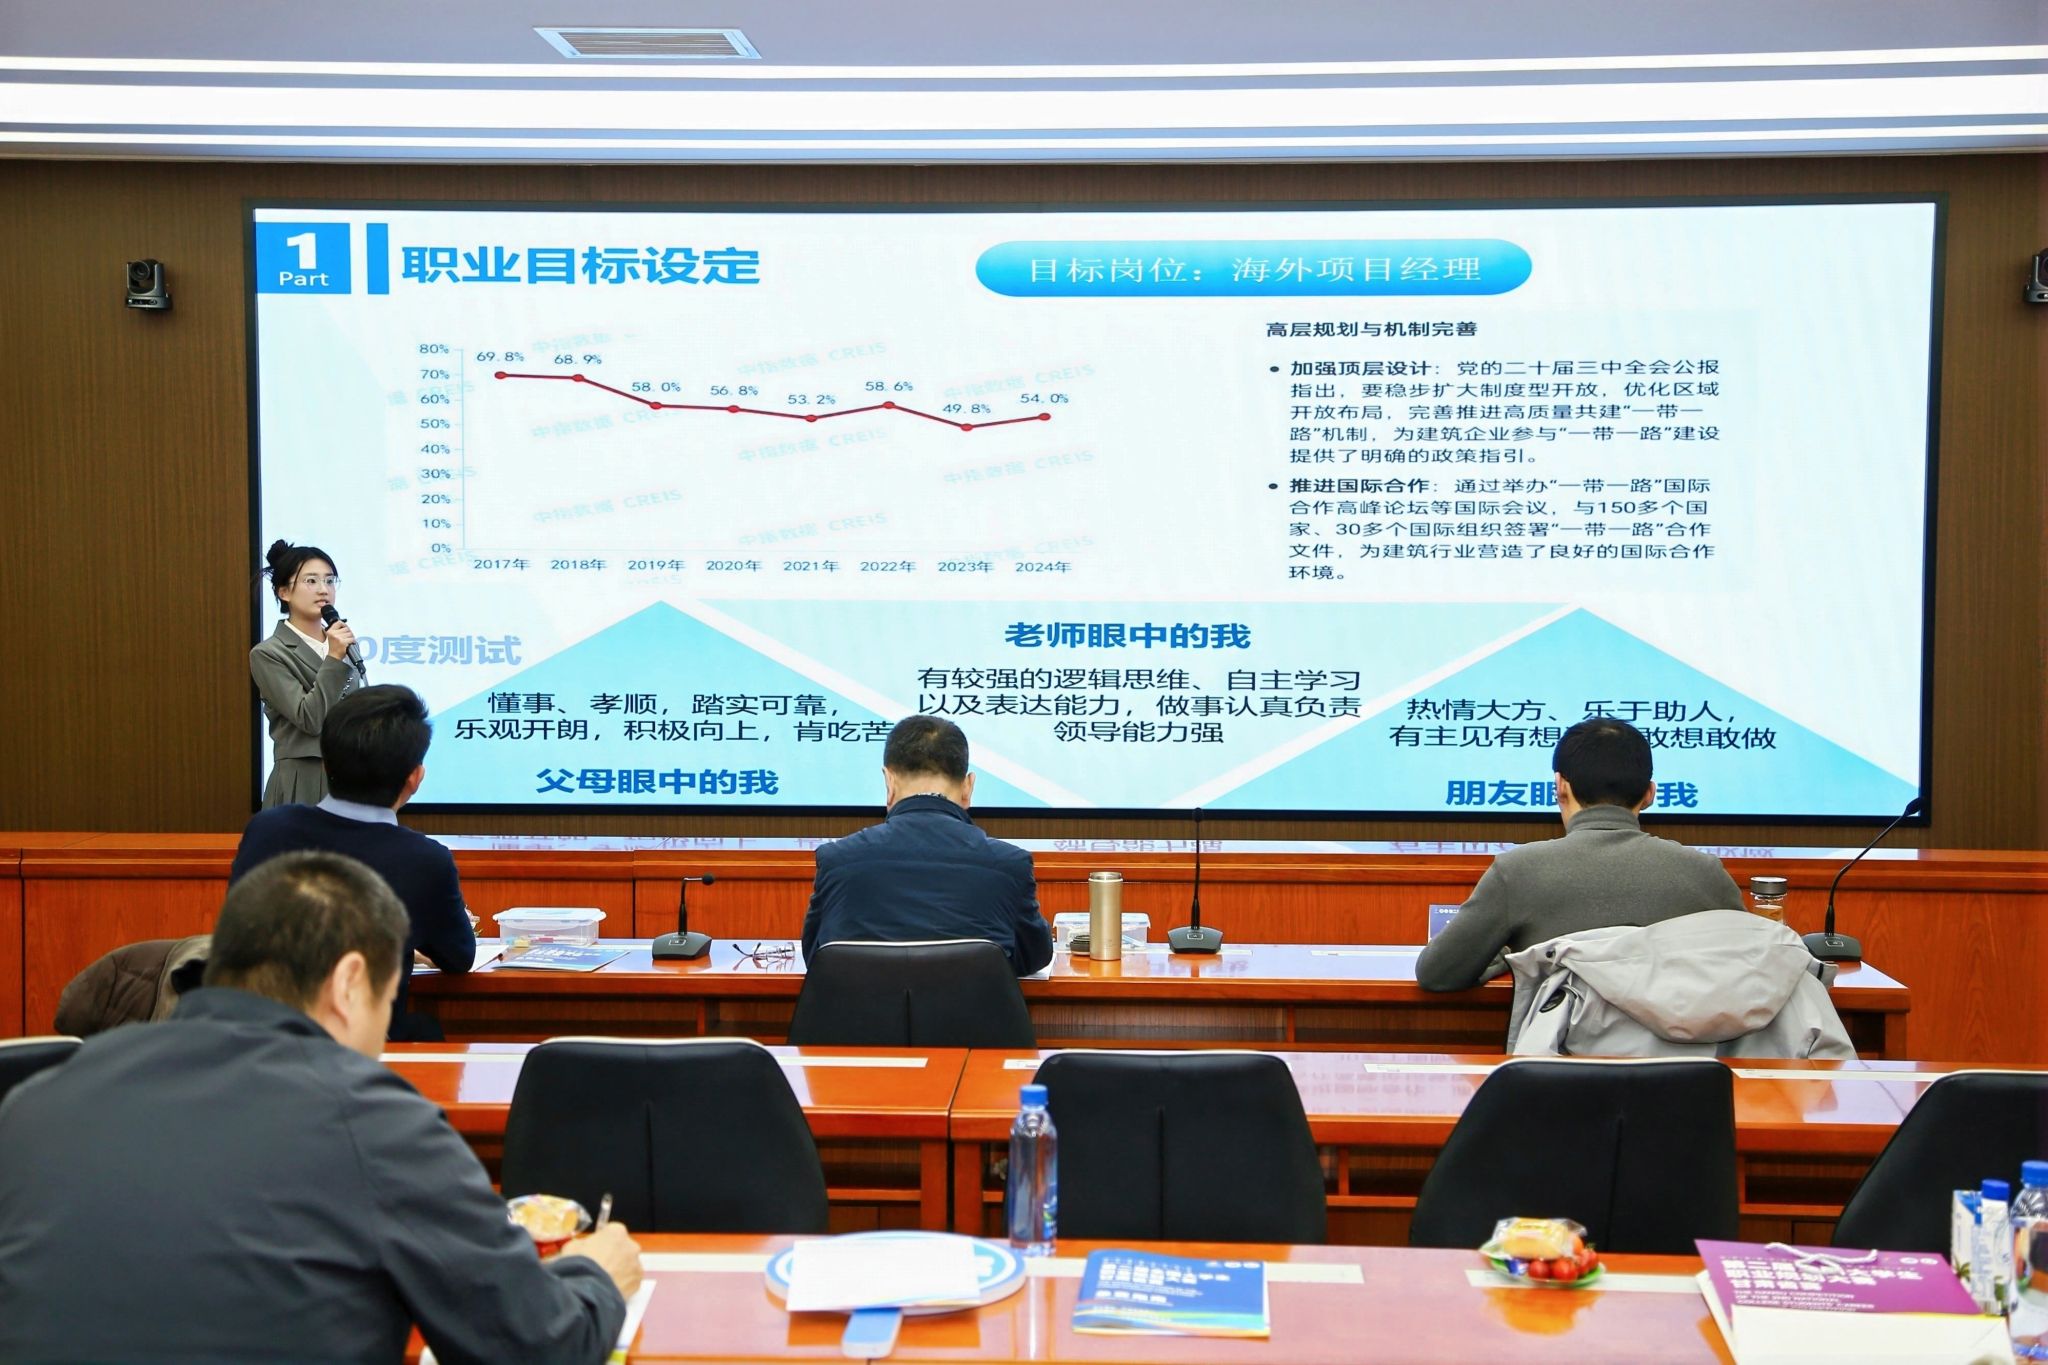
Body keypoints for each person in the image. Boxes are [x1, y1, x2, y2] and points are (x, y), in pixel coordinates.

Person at [0, 851, 641, 1363]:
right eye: (387, 1003)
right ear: (349, 984)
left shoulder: (34, 1104)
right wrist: (596, 1277)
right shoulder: (377, 1125)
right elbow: (537, 1345)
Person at [1416, 716, 1745, 992]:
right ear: (1650, 794)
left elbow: (1437, 975)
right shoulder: (1704, 873)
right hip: (1679, 1051)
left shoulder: (1518, 871)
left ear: (1560, 786)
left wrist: (1508, 956)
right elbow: (1750, 972)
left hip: (1557, 1051)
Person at [231, 683, 475, 1036]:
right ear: (415, 778)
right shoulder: (425, 860)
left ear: (326, 763)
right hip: (357, 1050)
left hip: (252, 1041)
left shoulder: (267, 830)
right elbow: (458, 957)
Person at [802, 715, 1053, 974]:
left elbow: (816, 957)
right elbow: (1034, 956)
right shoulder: (1009, 865)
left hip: (863, 1002)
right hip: (970, 1003)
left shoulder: (837, 860)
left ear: (889, 782)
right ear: (968, 787)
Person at [251, 537, 365, 806]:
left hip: (349, 776)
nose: (323, 590)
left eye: (330, 580)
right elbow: (309, 718)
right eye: (311, 581)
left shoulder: (343, 642)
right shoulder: (269, 653)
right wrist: (334, 658)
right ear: (284, 592)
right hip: (301, 778)